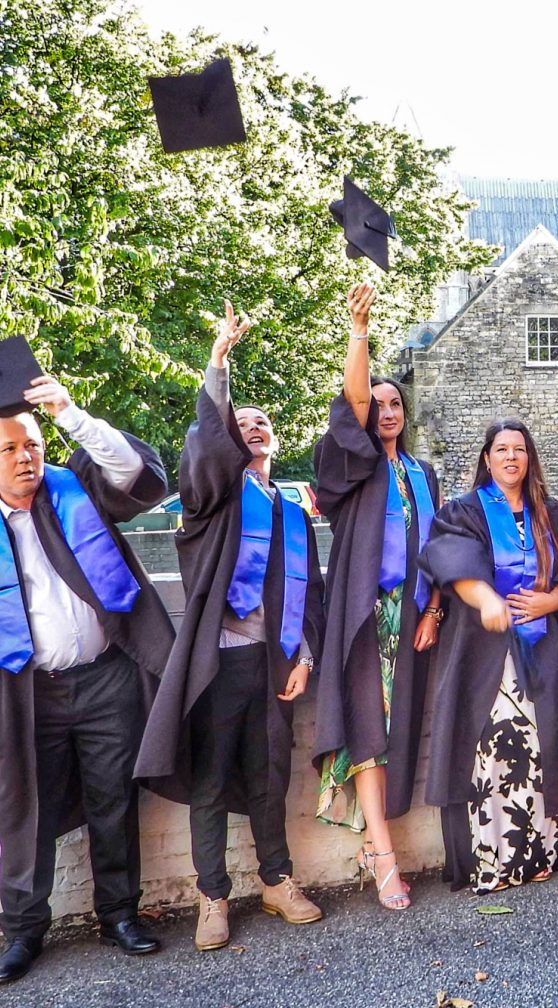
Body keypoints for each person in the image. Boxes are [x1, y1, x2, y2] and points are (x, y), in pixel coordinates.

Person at [135, 303, 327, 950]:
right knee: (212, 782)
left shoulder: (293, 512)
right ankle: (212, 895)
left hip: (273, 663)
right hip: (218, 662)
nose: (253, 428)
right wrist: (219, 363)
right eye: (240, 424)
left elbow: (310, 594)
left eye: (262, 422)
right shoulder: (212, 501)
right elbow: (205, 453)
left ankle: (276, 880)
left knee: (271, 776)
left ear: (275, 440)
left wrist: (306, 657)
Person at [0, 373, 173, 983]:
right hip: (25, 691)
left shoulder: (73, 491)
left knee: (112, 800)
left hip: (105, 679)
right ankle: (23, 930)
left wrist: (69, 413)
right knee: (25, 808)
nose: (25, 457)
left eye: (32, 445)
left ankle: (119, 914)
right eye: (9, 449)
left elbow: (137, 475)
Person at [312, 284, 443, 909]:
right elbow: (353, 400)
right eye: (378, 404)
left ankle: (375, 842)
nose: (386, 411)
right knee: (369, 726)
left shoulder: (422, 473)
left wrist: (434, 609)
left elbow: (440, 549)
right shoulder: (355, 467)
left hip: (411, 615)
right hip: (365, 613)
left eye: (396, 404)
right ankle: (383, 854)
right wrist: (359, 330)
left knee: (394, 732)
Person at [419, 420, 558, 892]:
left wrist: (552, 599)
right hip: (483, 652)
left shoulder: (550, 514)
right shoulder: (464, 511)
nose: (511, 457)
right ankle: (492, 861)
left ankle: (536, 854)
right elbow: (452, 562)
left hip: (540, 649)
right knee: (490, 750)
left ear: (530, 458)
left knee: (538, 746)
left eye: (520, 449)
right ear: (487, 459)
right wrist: (487, 598)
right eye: (502, 449)